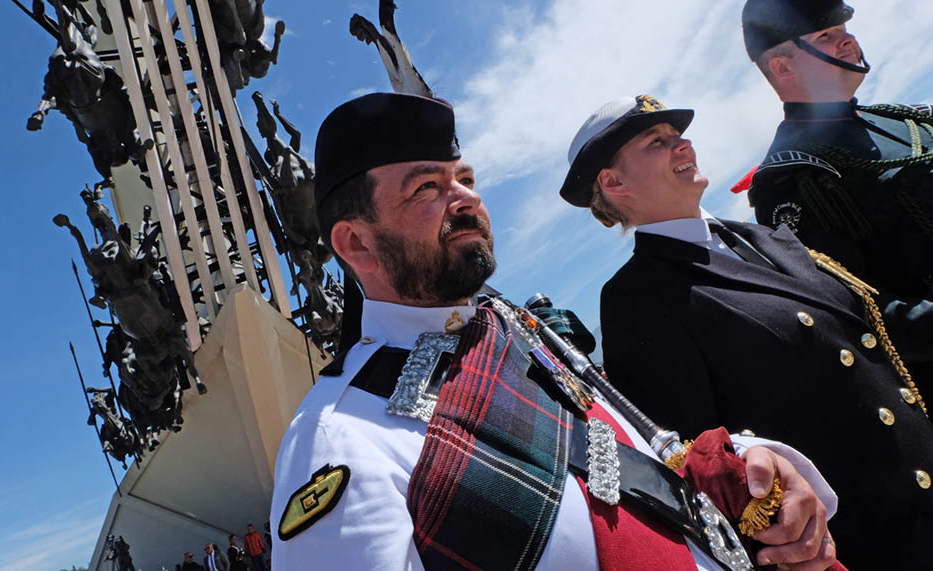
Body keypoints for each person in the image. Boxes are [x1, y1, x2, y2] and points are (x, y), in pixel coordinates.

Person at [269, 92, 841, 570]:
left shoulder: (518, 328)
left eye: (464, 178)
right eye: (426, 188)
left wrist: (752, 460)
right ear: (357, 243)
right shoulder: (338, 437)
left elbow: (633, 455)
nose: (467, 198)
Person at [561, 93, 933, 569]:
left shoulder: (770, 238)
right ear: (613, 182)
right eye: (656, 141)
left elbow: (871, 334)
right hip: (858, 543)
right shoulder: (637, 298)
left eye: (677, 135)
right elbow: (705, 469)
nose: (682, 145)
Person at [738, 0, 933, 390]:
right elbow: (854, 312)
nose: (848, 40)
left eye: (844, 29)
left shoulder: (908, 119)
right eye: (826, 36)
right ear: (782, 67)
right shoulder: (790, 177)